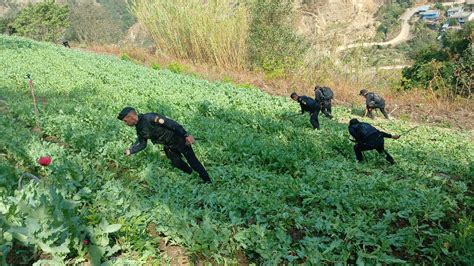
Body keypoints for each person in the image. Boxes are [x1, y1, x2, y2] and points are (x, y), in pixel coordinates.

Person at [117, 107, 211, 183]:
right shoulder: (139, 129)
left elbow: (171, 123)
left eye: (125, 121)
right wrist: (131, 151)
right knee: (176, 163)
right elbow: (142, 144)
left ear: (131, 117)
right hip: (168, 146)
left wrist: (186, 135)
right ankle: (191, 174)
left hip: (179, 140)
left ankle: (207, 181)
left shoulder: (150, 117)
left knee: (193, 162)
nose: (125, 123)